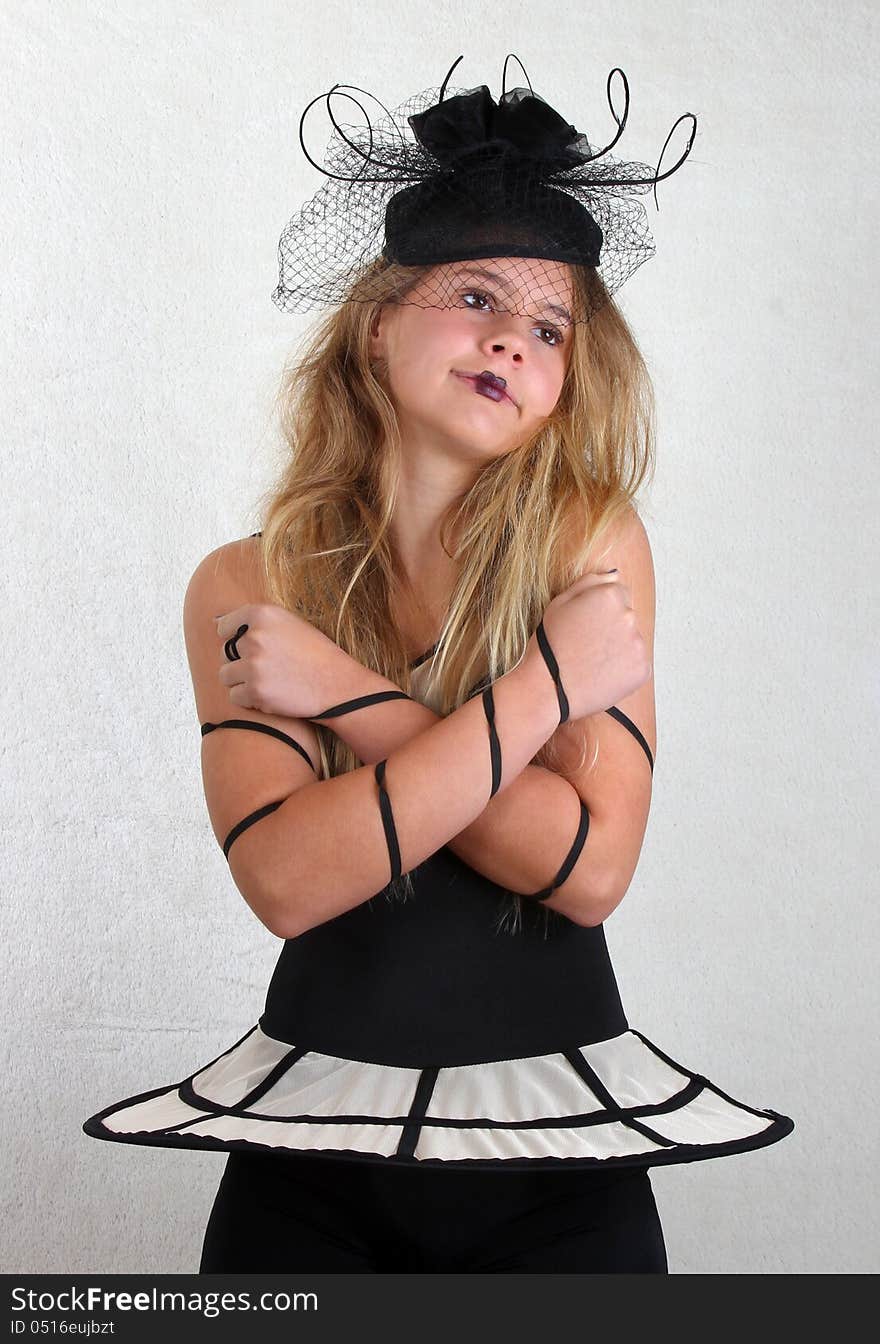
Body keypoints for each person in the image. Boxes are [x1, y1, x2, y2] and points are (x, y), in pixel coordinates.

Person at [83, 55, 794, 1274]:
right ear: (374, 325)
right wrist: (544, 691)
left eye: (548, 326)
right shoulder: (244, 584)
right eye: (475, 296)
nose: (511, 339)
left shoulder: (591, 542)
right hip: (309, 1162)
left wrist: (346, 698)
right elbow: (291, 885)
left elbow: (588, 869)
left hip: (561, 1162)